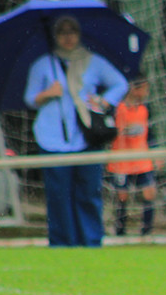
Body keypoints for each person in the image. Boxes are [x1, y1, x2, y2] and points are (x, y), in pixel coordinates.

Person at [24, 14, 128, 247]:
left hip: (86, 136)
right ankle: (61, 243)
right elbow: (30, 98)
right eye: (62, 32)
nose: (68, 37)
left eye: (72, 31)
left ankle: (91, 242)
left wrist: (102, 101)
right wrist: (47, 94)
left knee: (88, 193)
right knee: (58, 196)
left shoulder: (93, 61)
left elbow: (120, 84)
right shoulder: (43, 64)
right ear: (55, 36)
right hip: (52, 138)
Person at [108, 73, 157, 236]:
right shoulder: (118, 108)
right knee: (122, 196)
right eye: (144, 89)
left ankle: (146, 231)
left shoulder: (145, 109)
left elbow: (150, 134)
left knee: (149, 192)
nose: (146, 93)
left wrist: (156, 153)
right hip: (121, 159)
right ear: (134, 89)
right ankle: (120, 231)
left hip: (142, 158)